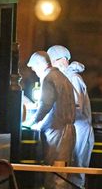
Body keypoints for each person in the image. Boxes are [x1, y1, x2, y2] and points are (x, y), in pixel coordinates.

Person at [25, 51, 76, 189]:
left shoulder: (49, 78)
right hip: (65, 131)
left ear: (40, 65)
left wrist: (32, 122)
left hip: (57, 132)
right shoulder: (60, 76)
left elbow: (46, 104)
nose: (34, 71)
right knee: (62, 173)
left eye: (34, 68)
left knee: (55, 176)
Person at [47, 45, 94, 188]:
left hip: (79, 127)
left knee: (77, 169)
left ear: (60, 61)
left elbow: (75, 106)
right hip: (71, 127)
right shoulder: (65, 77)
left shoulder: (73, 78)